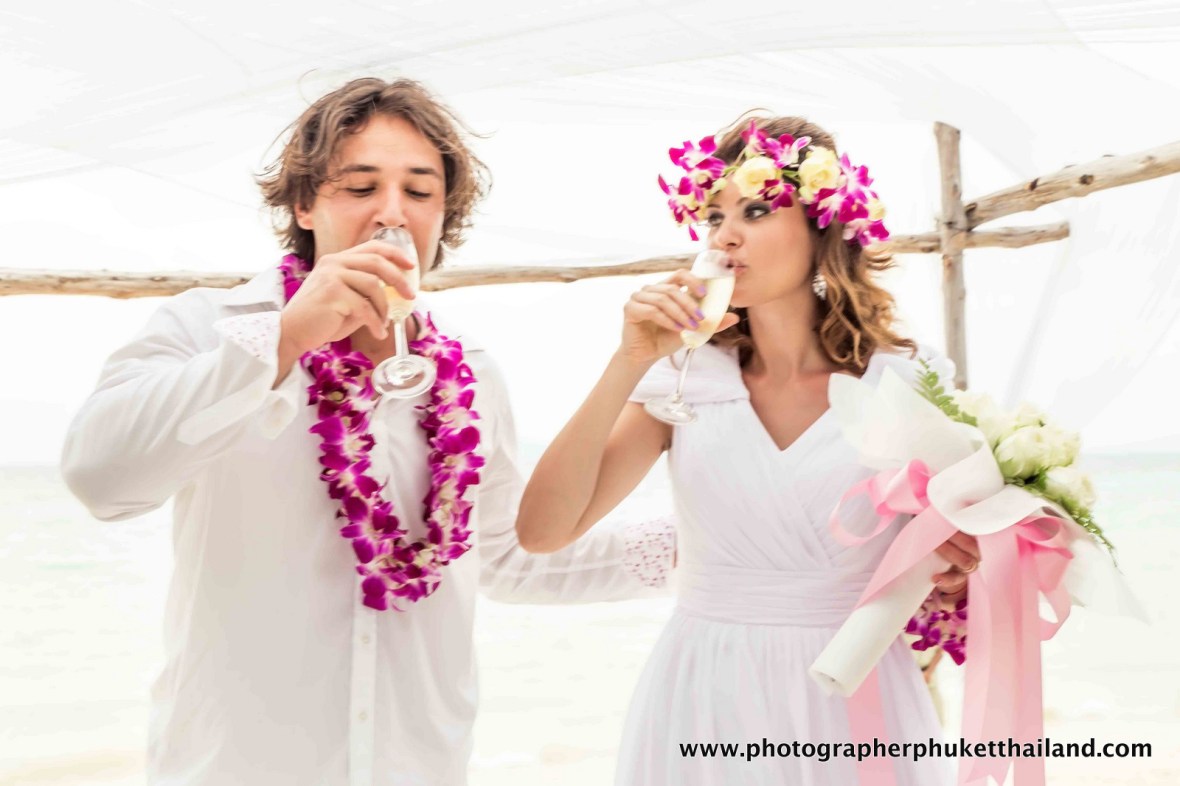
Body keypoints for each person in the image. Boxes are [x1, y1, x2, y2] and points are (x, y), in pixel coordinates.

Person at [60, 77, 674, 786]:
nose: (392, 214)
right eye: (360, 188)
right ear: (304, 202)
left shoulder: (471, 371)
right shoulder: (208, 327)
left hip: (420, 764)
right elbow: (99, 479)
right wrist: (283, 340)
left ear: (443, 215)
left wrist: (714, 546)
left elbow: (504, 556)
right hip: (235, 765)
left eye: (419, 191)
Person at [516, 115, 977, 784]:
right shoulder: (686, 378)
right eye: (712, 215)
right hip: (705, 691)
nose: (725, 235)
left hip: (856, 694)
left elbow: (953, 544)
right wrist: (627, 360)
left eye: (756, 210)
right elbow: (542, 531)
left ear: (824, 229)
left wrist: (960, 564)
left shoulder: (904, 380)